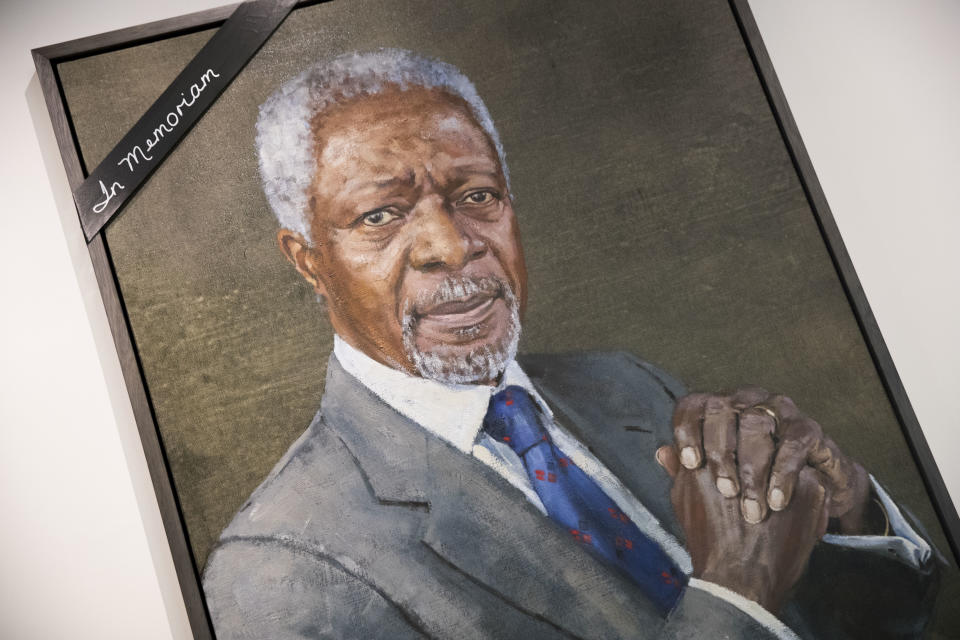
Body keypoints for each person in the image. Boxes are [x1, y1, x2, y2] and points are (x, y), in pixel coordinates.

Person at [202, 49, 939, 639]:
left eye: (477, 195)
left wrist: (850, 513)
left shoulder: (625, 387)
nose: (453, 246)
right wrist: (734, 596)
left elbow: (865, 623)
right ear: (307, 260)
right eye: (380, 216)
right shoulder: (281, 573)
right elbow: (752, 597)